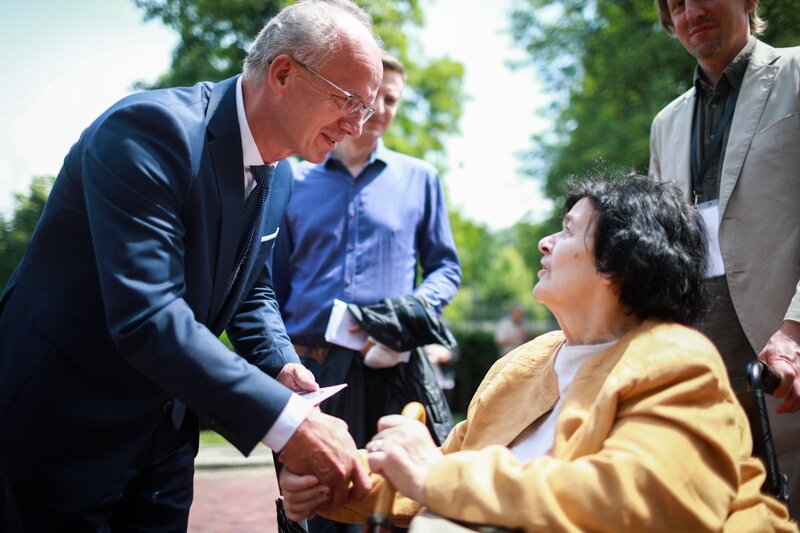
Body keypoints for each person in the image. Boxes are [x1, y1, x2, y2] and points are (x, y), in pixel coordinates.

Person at [0, 0, 383, 529]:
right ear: (284, 73)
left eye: (366, 107)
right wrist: (286, 424)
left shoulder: (282, 176)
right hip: (65, 426)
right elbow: (148, 317)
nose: (357, 123)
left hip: (166, 443)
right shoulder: (147, 132)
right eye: (349, 99)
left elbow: (251, 289)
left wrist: (279, 364)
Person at [279, 175, 795, 531]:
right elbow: (442, 472)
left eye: (568, 230)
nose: (546, 242)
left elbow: (642, 503)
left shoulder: (676, 359)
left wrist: (434, 476)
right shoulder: (524, 364)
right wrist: (338, 485)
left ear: (621, 263)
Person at [273, 50, 461, 533]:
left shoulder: (421, 178)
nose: (380, 111)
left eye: (391, 100)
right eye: (370, 98)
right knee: (317, 507)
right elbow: (269, 286)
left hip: (394, 371)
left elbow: (444, 269)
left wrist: (405, 319)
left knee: (400, 510)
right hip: (316, 374)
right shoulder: (290, 179)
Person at [649, 0, 800, 514]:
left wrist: (796, 327)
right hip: (699, 351)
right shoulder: (664, 125)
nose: (690, 12)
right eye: (675, 4)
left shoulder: (797, 74)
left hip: (784, 345)